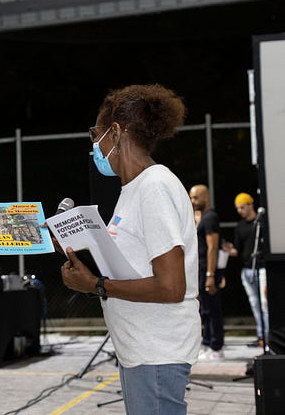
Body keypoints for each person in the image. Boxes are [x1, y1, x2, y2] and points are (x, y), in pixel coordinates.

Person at [60, 84, 200, 415]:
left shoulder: (154, 187)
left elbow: (171, 287)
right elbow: (133, 263)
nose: (94, 144)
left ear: (116, 132)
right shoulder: (134, 189)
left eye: (96, 134)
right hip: (141, 350)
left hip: (156, 351)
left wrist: (95, 285)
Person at [224, 192, 269, 349]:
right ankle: (261, 336)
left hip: (262, 269)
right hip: (247, 270)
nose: (240, 211)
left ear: (251, 205)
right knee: (255, 304)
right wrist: (228, 249)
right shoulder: (240, 226)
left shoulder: (261, 223)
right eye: (238, 208)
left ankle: (269, 337)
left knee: (265, 303)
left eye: (242, 207)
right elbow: (238, 250)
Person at [189, 184, 225, 361]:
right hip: (201, 269)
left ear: (205, 197)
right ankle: (208, 342)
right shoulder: (202, 217)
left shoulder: (210, 218)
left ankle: (217, 347)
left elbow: (212, 247)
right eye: (191, 197)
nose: (192, 201)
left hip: (207, 269)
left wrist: (210, 275)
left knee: (212, 309)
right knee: (205, 309)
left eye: (196, 197)